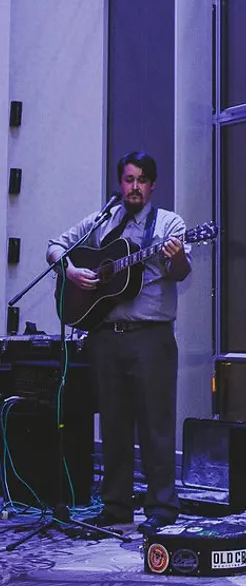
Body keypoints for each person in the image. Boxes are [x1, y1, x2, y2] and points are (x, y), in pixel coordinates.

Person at [47, 152, 191, 532]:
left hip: (150, 338)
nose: (134, 187)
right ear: (120, 183)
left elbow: (181, 272)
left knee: (155, 426)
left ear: (153, 185)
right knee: (112, 425)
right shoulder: (104, 219)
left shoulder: (168, 224)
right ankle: (116, 507)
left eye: (142, 180)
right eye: (128, 179)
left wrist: (175, 258)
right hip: (105, 337)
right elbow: (55, 247)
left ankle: (160, 507)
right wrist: (72, 271)